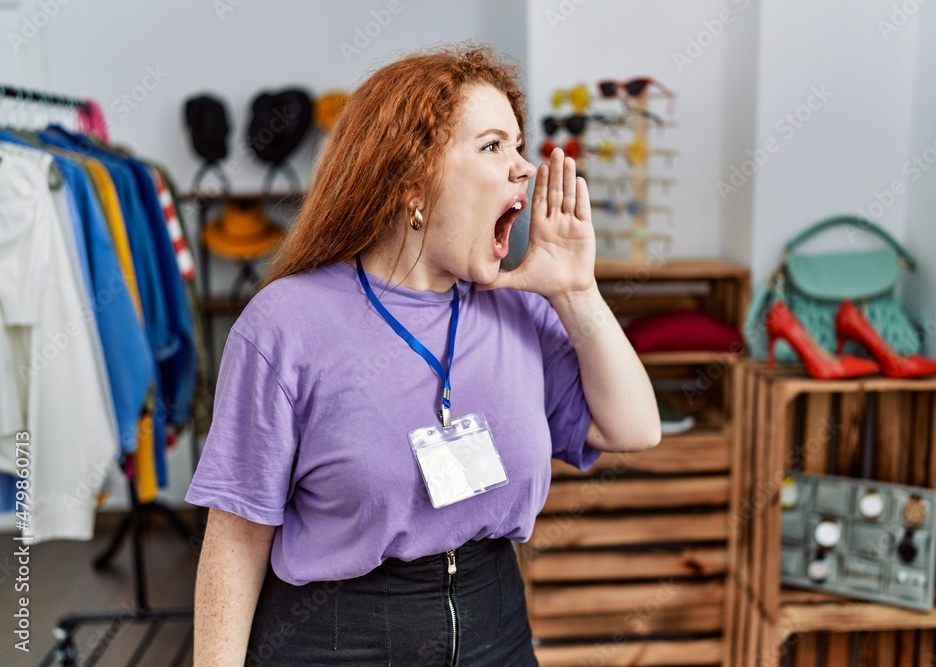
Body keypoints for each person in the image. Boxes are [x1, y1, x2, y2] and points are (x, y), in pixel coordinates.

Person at [185, 44, 661, 666]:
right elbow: (235, 538)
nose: (524, 169)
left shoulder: (518, 309)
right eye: (493, 147)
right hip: (336, 640)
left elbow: (634, 428)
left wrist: (576, 291)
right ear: (412, 181)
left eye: (519, 147)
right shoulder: (285, 324)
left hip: (497, 628)